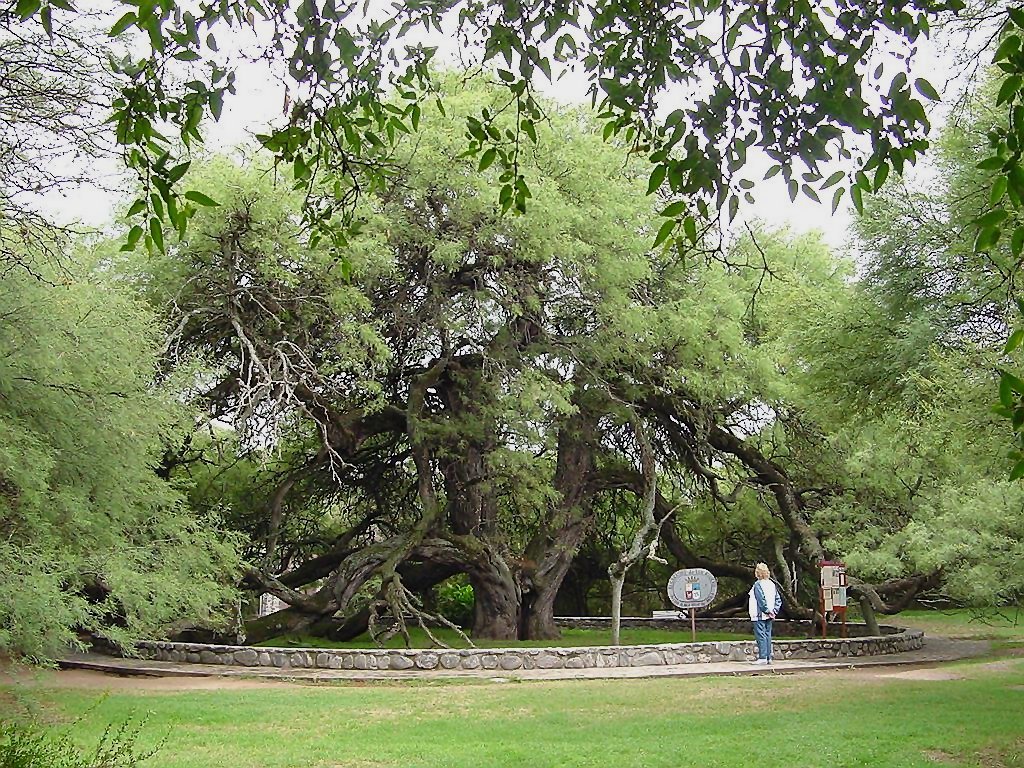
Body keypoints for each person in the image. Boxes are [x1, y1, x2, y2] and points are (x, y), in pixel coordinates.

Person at [748, 562, 782, 665]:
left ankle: (763, 657)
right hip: (769, 614)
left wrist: (767, 610)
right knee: (767, 634)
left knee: (761, 635)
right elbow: (778, 599)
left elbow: (761, 599)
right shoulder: (772, 584)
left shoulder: (758, 584)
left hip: (759, 614)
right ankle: (768, 657)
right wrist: (774, 611)